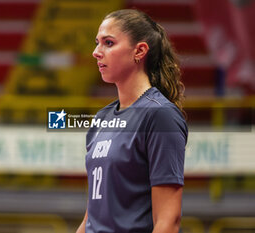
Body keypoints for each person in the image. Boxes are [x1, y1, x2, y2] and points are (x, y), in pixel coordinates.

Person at [76, 9, 188, 233]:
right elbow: (93, 213)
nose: (96, 52)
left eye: (108, 43)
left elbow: (168, 222)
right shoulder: (101, 119)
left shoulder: (160, 116)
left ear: (139, 51)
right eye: (97, 43)